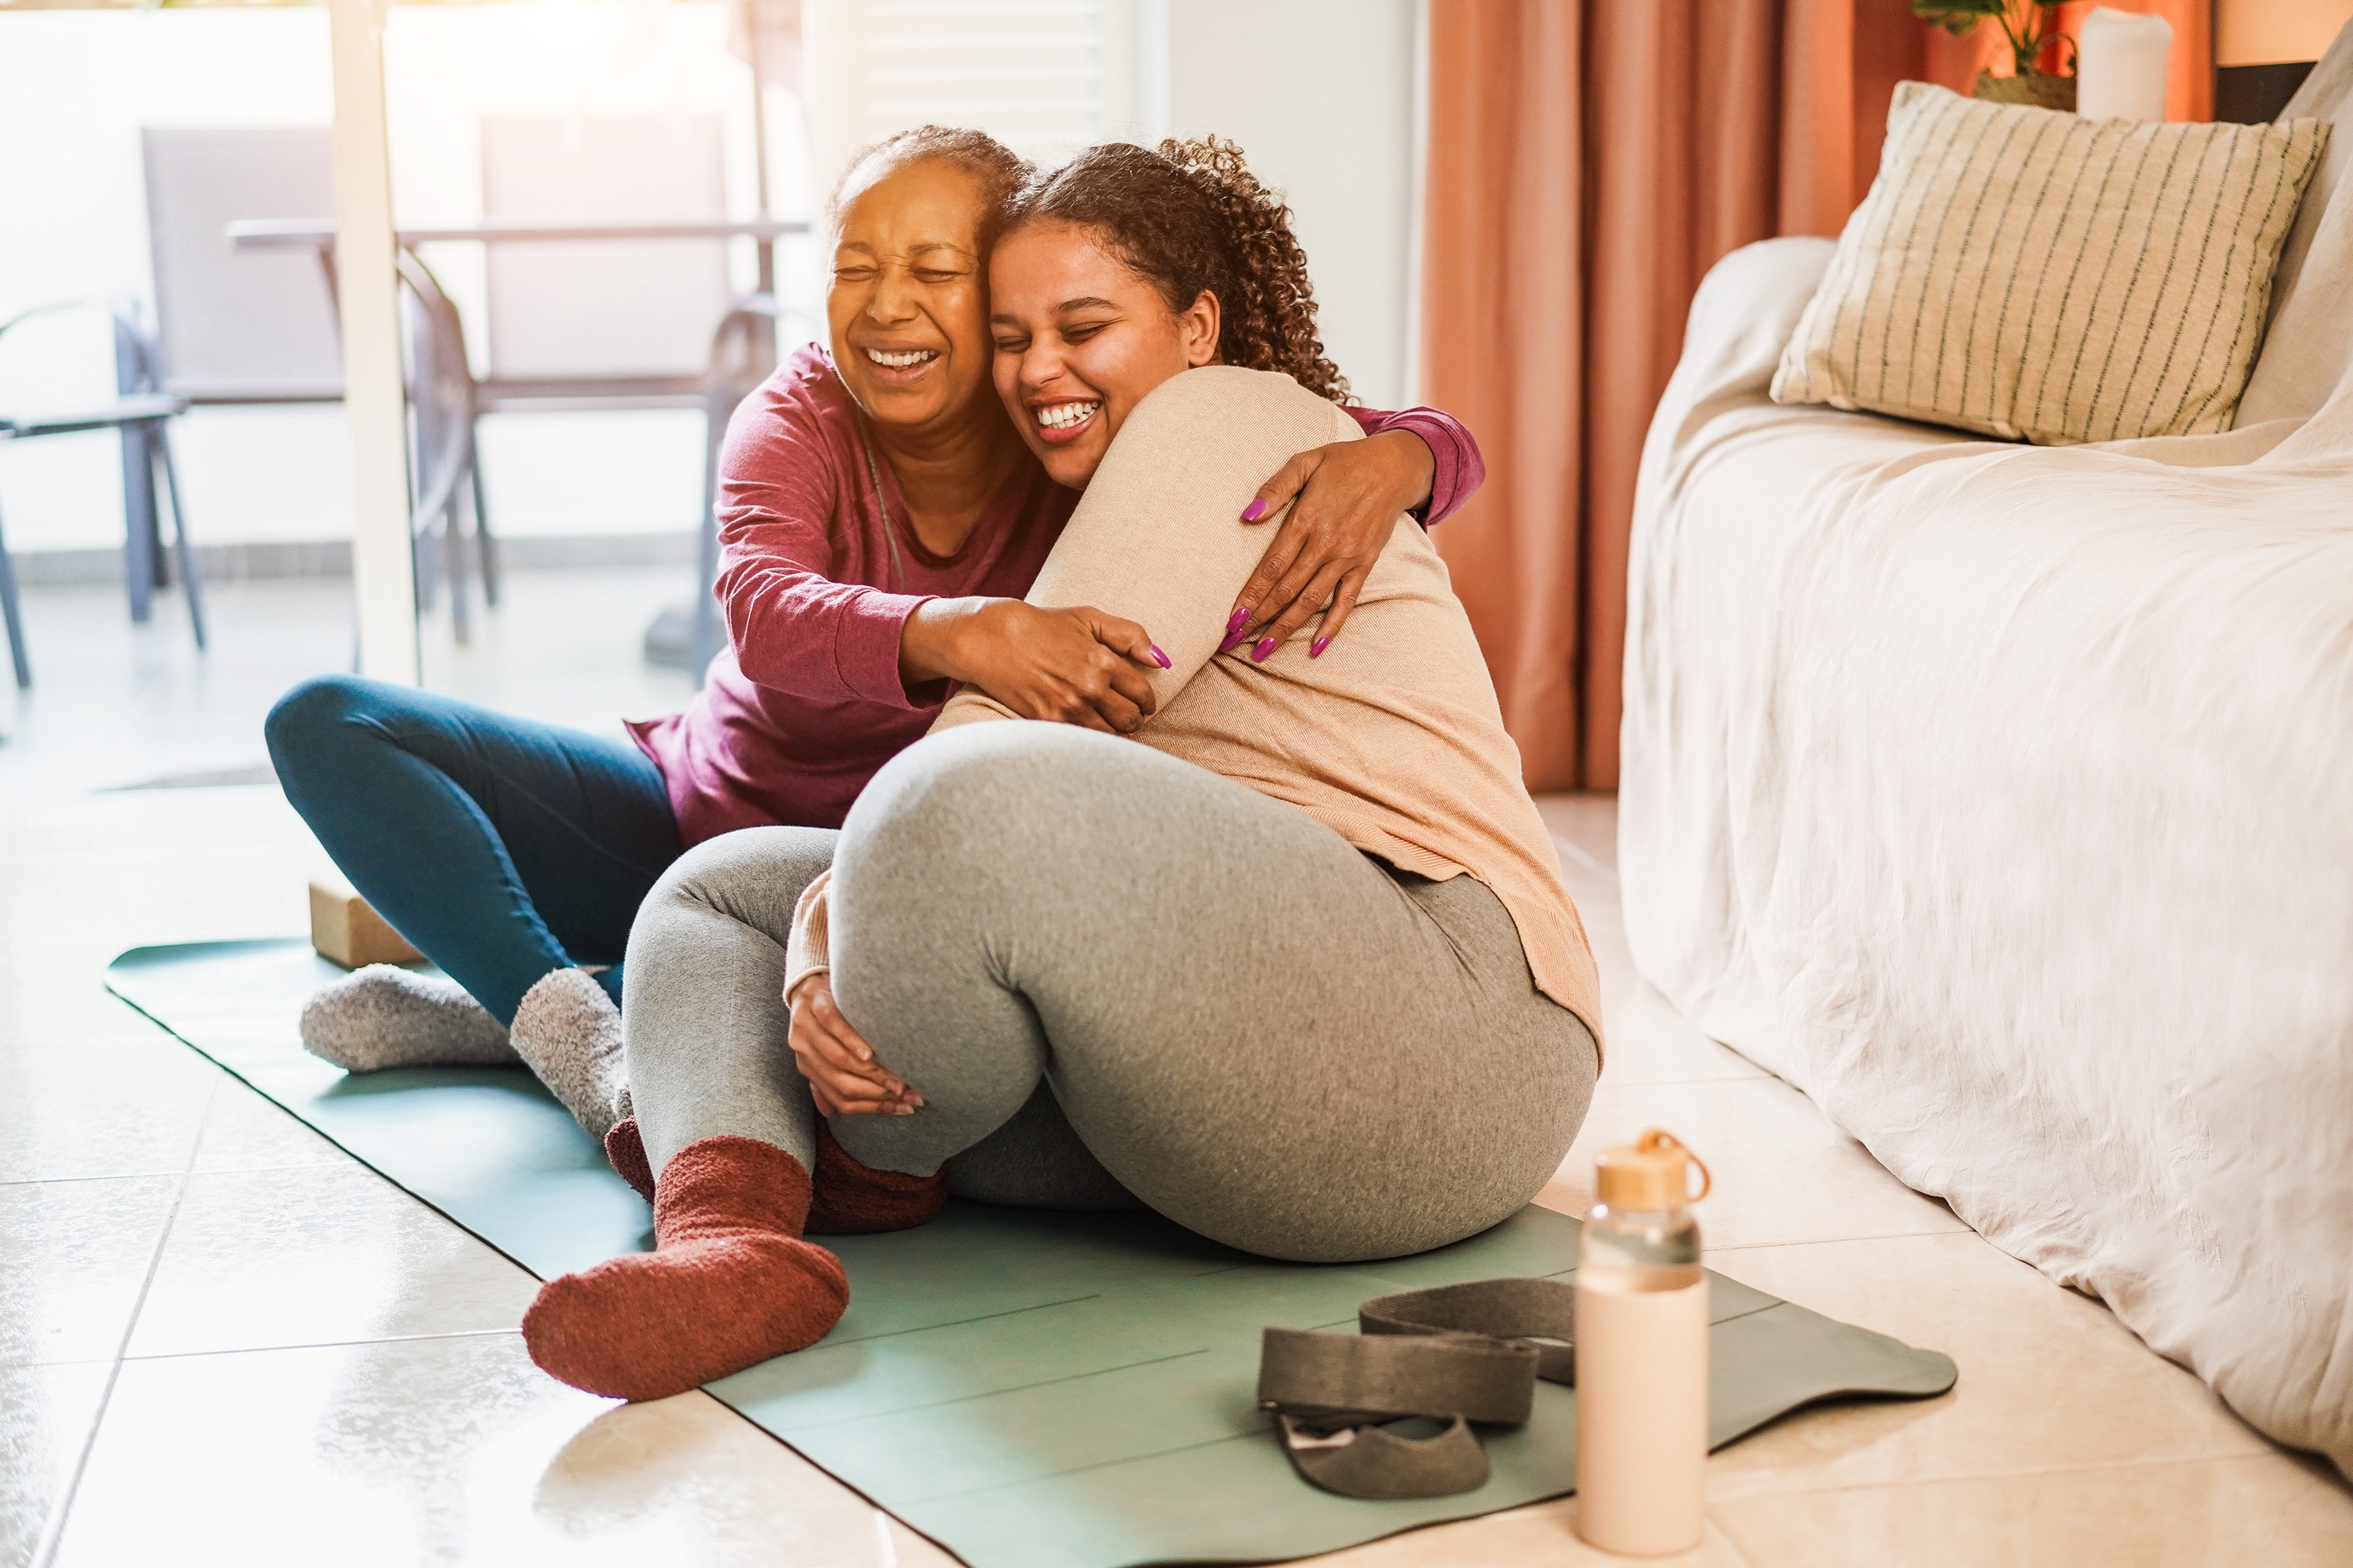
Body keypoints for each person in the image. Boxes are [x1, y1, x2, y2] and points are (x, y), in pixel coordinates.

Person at [518, 136, 1601, 1404]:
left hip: (1453, 1023)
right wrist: (822, 928)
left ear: (1199, 327)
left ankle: (849, 1142)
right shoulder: (1083, 473)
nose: (1040, 373)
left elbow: (990, 758)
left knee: (952, 810)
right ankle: (735, 1249)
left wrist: (824, 949)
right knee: (709, 892)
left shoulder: (1213, 420)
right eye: (1015, 334)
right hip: (1234, 1062)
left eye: (1083, 326)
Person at [264, 127, 1487, 1138]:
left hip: (893, 901)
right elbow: (766, 613)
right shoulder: (790, 420)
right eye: (857, 265)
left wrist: (1404, 458)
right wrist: (970, 633)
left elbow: (1344, 422)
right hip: (695, 820)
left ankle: (543, 993)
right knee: (327, 720)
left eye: (936, 271)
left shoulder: (1063, 417)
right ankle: (579, 1035)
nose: (888, 304)